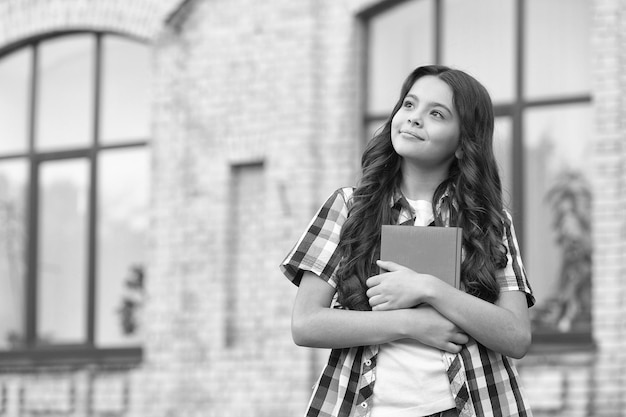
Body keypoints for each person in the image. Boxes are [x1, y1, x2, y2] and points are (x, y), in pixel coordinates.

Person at [280, 65, 535, 417]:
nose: (414, 119)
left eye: (436, 114)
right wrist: (411, 324)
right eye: (410, 105)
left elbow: (517, 336)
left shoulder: (488, 221)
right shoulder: (349, 208)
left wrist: (430, 289)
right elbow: (306, 323)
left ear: (463, 144)